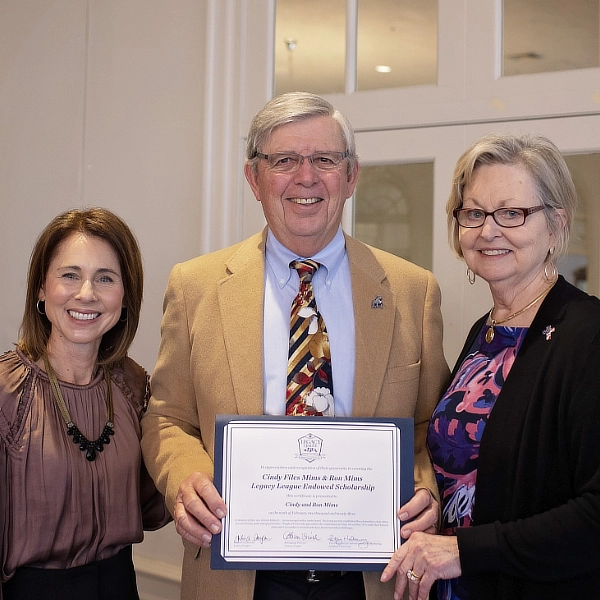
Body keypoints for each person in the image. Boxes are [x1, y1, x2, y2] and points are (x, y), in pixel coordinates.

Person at [141, 91, 449, 600]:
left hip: (372, 576)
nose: (306, 177)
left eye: (325, 160)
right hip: (236, 575)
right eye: (284, 160)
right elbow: (167, 415)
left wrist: (424, 491)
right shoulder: (194, 287)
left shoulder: (413, 292)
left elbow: (425, 428)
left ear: (351, 176)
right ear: (253, 178)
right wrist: (185, 481)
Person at [381, 133, 600, 600]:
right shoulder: (485, 331)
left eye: (512, 213)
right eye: (474, 213)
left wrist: (467, 551)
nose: (488, 230)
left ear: (556, 225)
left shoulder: (589, 334)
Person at [0, 208, 171, 600]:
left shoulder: (133, 385)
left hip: (119, 587)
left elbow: (153, 504)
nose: (86, 294)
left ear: (126, 295)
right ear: (41, 288)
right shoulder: (7, 394)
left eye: (105, 278)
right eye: (70, 275)